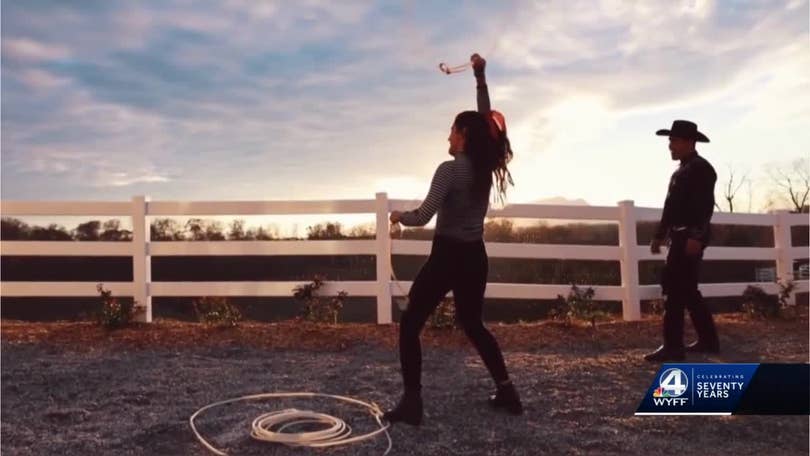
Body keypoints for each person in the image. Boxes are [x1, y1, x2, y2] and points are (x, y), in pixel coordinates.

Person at [383, 54, 522, 425]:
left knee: (411, 323)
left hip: (446, 258)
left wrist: (398, 216)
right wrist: (480, 77)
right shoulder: (483, 168)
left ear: (462, 136)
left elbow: (423, 216)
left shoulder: (449, 170)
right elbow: (484, 122)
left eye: (452, 130)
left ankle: (413, 403)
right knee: (474, 325)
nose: (448, 135)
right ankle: (508, 391)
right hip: (475, 256)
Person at [644, 120, 720, 362]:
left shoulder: (702, 169)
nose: (670, 146)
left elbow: (704, 207)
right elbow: (670, 207)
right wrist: (659, 234)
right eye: (670, 141)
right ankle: (708, 340)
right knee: (687, 291)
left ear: (689, 142)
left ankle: (673, 347)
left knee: (675, 290)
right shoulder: (680, 171)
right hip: (678, 236)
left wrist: (696, 236)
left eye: (674, 141)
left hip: (689, 237)